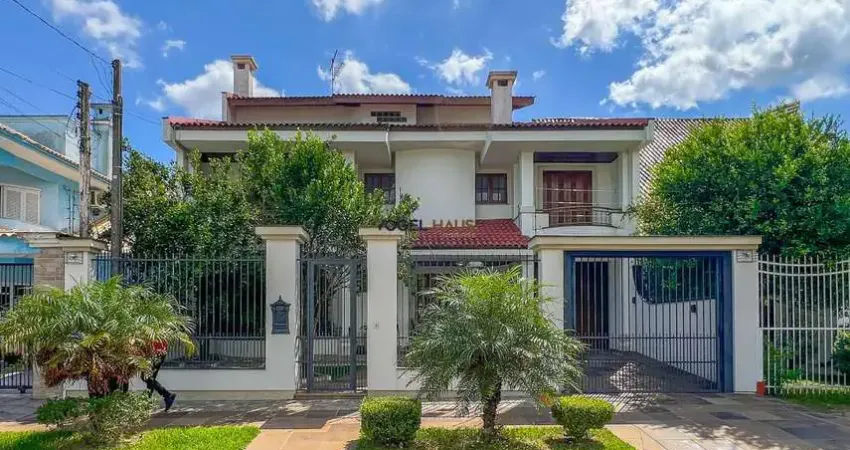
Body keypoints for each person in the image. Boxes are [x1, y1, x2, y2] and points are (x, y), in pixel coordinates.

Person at [142, 339, 176, 412]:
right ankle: (148, 402)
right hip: (159, 352)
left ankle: (166, 395)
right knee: (150, 378)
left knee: (147, 377)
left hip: (155, 352)